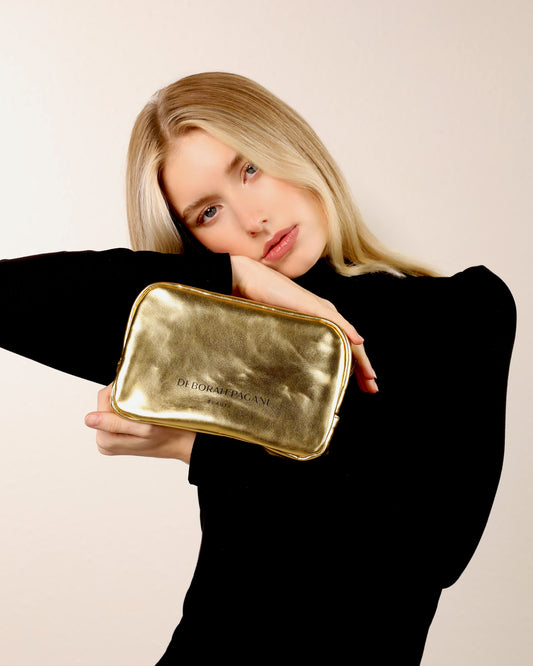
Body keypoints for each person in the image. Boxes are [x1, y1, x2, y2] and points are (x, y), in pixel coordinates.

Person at [0, 72, 515, 664]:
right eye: (208, 211)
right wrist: (231, 276)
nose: (252, 219)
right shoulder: (220, 334)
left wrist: (199, 447)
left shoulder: (464, 308)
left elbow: (428, 545)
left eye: (249, 169)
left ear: (290, 144)